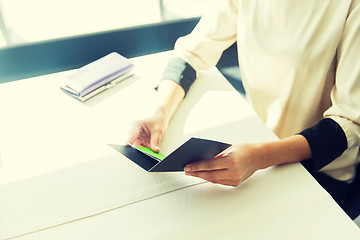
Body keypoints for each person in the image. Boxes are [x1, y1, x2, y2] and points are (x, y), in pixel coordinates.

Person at [128, 0, 360, 219]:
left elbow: (348, 122)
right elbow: (192, 52)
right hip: (257, 149)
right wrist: (160, 112)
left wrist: (261, 156)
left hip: (319, 169)